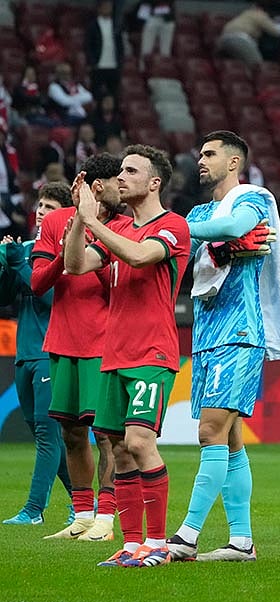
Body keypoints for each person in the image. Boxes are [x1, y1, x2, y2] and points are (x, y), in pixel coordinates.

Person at [166, 130, 280, 564]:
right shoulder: (201, 209)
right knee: (231, 439)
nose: (200, 161)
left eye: (209, 154)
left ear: (234, 162)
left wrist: (185, 231)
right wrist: (213, 248)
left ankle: (186, 536)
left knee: (208, 432)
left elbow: (234, 228)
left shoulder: (252, 199)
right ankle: (242, 541)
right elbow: (188, 257)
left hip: (240, 331)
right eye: (199, 153)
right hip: (204, 333)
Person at [63, 144, 191, 568]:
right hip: (114, 355)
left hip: (152, 353)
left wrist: (91, 221)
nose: (121, 177)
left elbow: (139, 255)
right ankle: (132, 543)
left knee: (139, 441)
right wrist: (84, 221)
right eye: (120, 171)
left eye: (131, 171)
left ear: (154, 182)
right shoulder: (120, 229)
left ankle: (157, 543)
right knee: (117, 449)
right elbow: (76, 265)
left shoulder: (173, 226)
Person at [31, 154, 128, 542]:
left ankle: (106, 519)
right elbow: (38, 283)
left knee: (105, 434)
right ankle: (82, 515)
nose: (123, 188)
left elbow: (116, 286)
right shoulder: (56, 222)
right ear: (96, 184)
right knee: (72, 434)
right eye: (116, 181)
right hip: (63, 339)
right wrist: (67, 247)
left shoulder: (123, 227)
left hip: (105, 341)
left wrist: (90, 239)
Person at [0, 182, 73, 526]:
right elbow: (5, 298)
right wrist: (7, 265)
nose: (41, 211)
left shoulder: (69, 252)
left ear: (65, 214)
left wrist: (19, 264)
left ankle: (33, 511)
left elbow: (49, 297)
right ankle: (82, 501)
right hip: (24, 354)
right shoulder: (28, 247)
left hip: (51, 351)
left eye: (49, 206)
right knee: (43, 433)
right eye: (39, 205)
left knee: (47, 433)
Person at [216, 2, 280, 66]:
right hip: (239, 39)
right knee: (257, 65)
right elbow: (276, 32)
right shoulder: (259, 14)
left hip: (223, 40)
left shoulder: (246, 13)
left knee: (241, 64)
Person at [84, 0, 124, 100]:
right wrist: (92, 62)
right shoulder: (92, 25)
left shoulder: (116, 25)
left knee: (114, 95)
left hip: (113, 66)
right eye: (105, 6)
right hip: (98, 66)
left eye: (109, 6)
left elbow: (120, 45)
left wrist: (120, 61)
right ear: (99, 8)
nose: (108, 9)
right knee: (96, 94)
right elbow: (88, 46)